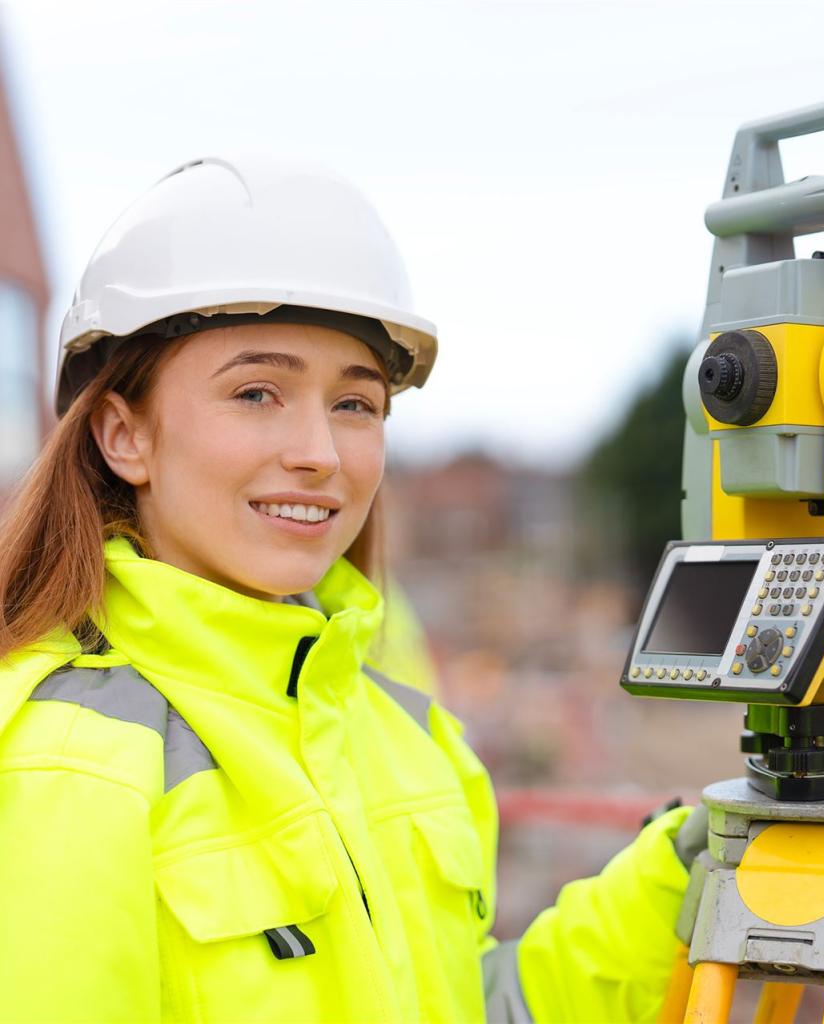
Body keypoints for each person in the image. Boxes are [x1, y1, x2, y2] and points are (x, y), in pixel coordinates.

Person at [0, 156, 697, 1023]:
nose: (321, 454)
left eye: (356, 405)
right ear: (122, 435)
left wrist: (682, 877)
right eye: (257, 393)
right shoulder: (63, 760)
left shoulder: (406, 734)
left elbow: (464, 1003)